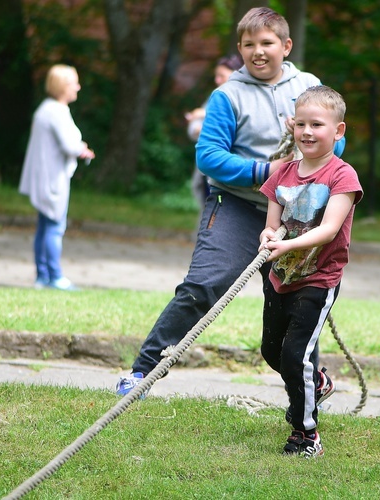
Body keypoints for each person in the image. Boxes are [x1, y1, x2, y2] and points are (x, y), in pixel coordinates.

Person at [115, 7, 345, 404]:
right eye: (249, 44)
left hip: (297, 217)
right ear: (239, 49)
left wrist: (310, 146)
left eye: (267, 43)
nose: (258, 51)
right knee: (203, 287)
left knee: (299, 304)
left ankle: (309, 389)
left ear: (286, 46)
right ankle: (142, 370)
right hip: (236, 208)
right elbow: (209, 158)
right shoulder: (227, 95)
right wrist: (268, 170)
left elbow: (337, 145)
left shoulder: (307, 86)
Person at [258, 85, 363, 458]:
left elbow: (329, 230)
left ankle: (306, 435)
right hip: (280, 276)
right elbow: (273, 224)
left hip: (318, 278)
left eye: (316, 124)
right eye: (300, 123)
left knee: (295, 355)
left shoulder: (342, 176)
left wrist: (286, 245)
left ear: (338, 131)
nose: (306, 131)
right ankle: (317, 382)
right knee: (272, 351)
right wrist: (270, 238)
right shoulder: (282, 174)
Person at [18, 64, 95, 291]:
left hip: (45, 175)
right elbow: (69, 144)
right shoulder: (57, 111)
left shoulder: (46, 109)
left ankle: (42, 276)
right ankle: (55, 276)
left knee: (44, 226)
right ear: (63, 86)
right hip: (53, 179)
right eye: (74, 83)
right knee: (54, 227)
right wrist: (82, 149)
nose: (78, 88)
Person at [185, 54, 244, 210]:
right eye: (216, 76)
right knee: (209, 209)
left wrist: (203, 115)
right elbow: (194, 127)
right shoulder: (217, 95)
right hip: (209, 171)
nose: (217, 80)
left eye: (221, 76)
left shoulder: (246, 97)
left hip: (234, 172)